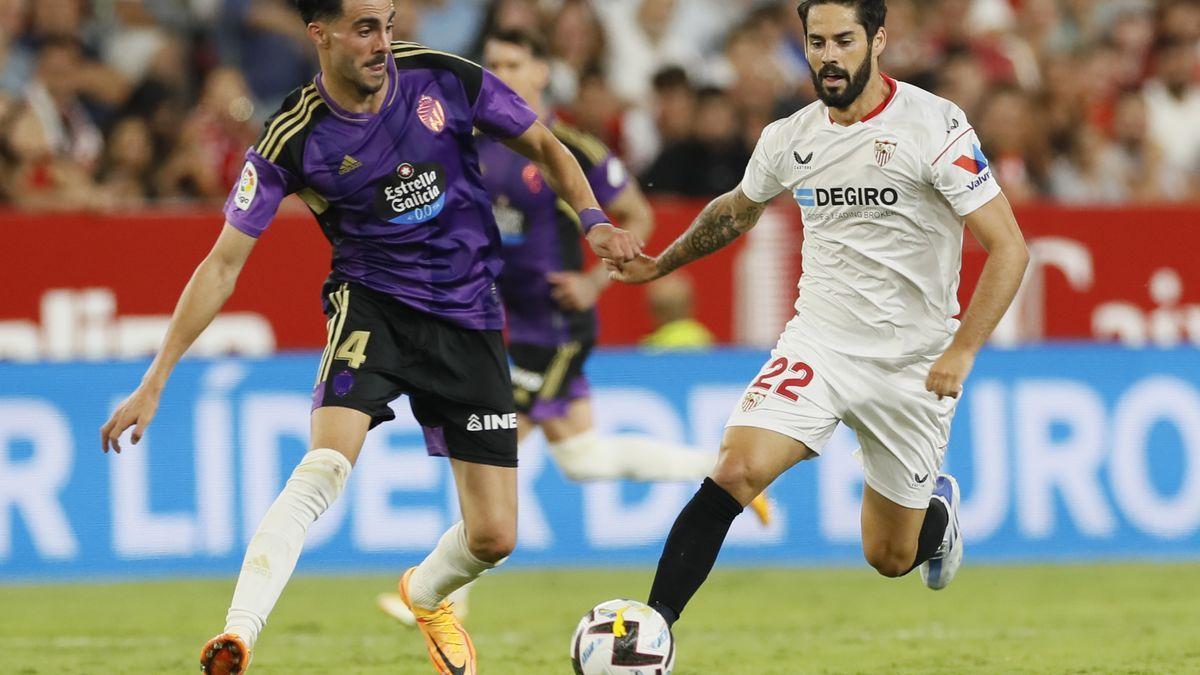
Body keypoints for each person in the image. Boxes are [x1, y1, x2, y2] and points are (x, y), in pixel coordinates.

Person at [98, 1, 642, 674]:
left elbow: (547, 146)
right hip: (373, 308)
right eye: (364, 28)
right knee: (326, 463)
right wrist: (155, 379)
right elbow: (222, 263)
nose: (383, 42)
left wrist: (591, 220)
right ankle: (237, 634)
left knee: (496, 535)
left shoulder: (443, 78)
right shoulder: (291, 137)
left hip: (470, 316)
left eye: (386, 24)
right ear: (319, 34)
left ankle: (425, 592)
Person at [608, 0, 1028, 633]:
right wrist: (660, 263)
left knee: (889, 557)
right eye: (816, 41)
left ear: (878, 40)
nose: (829, 55)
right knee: (736, 468)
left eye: (844, 40)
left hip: (912, 363)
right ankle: (654, 625)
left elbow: (1010, 249)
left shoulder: (936, 125)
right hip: (820, 343)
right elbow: (736, 211)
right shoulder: (791, 136)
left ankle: (935, 514)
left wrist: (962, 350)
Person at [377, 26, 766, 628]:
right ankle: (712, 470)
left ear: (542, 73)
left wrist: (594, 280)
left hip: (558, 329)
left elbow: (634, 212)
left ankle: (441, 597)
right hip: (516, 327)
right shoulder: (472, 143)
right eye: (493, 62)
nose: (500, 71)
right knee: (582, 459)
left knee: (489, 446)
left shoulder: (569, 147)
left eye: (514, 61)